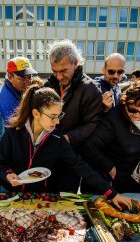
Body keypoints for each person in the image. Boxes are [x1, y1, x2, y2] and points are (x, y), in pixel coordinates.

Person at [0, 83, 132, 210]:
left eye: (59, 116)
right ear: (36, 113)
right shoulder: (13, 133)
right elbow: (1, 163)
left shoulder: (56, 138)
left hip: (43, 200)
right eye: (52, 117)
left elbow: (81, 167)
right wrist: (8, 175)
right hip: (15, 197)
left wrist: (112, 193)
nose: (56, 122)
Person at [45, 40, 103, 192]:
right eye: (54, 71)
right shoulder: (49, 85)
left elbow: (93, 123)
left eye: (63, 70)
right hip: (47, 154)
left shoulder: (90, 89)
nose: (58, 76)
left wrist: (68, 138)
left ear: (75, 63)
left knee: (64, 200)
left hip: (70, 157)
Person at [81, 80, 140, 194]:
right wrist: (109, 167)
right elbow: (89, 146)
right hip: (112, 182)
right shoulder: (113, 119)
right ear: (125, 102)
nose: (137, 115)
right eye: (132, 109)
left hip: (135, 183)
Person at [0, 57, 38, 124]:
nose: (27, 82)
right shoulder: (8, 101)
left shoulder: (15, 91)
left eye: (29, 77)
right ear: (10, 77)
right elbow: (15, 130)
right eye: (22, 78)